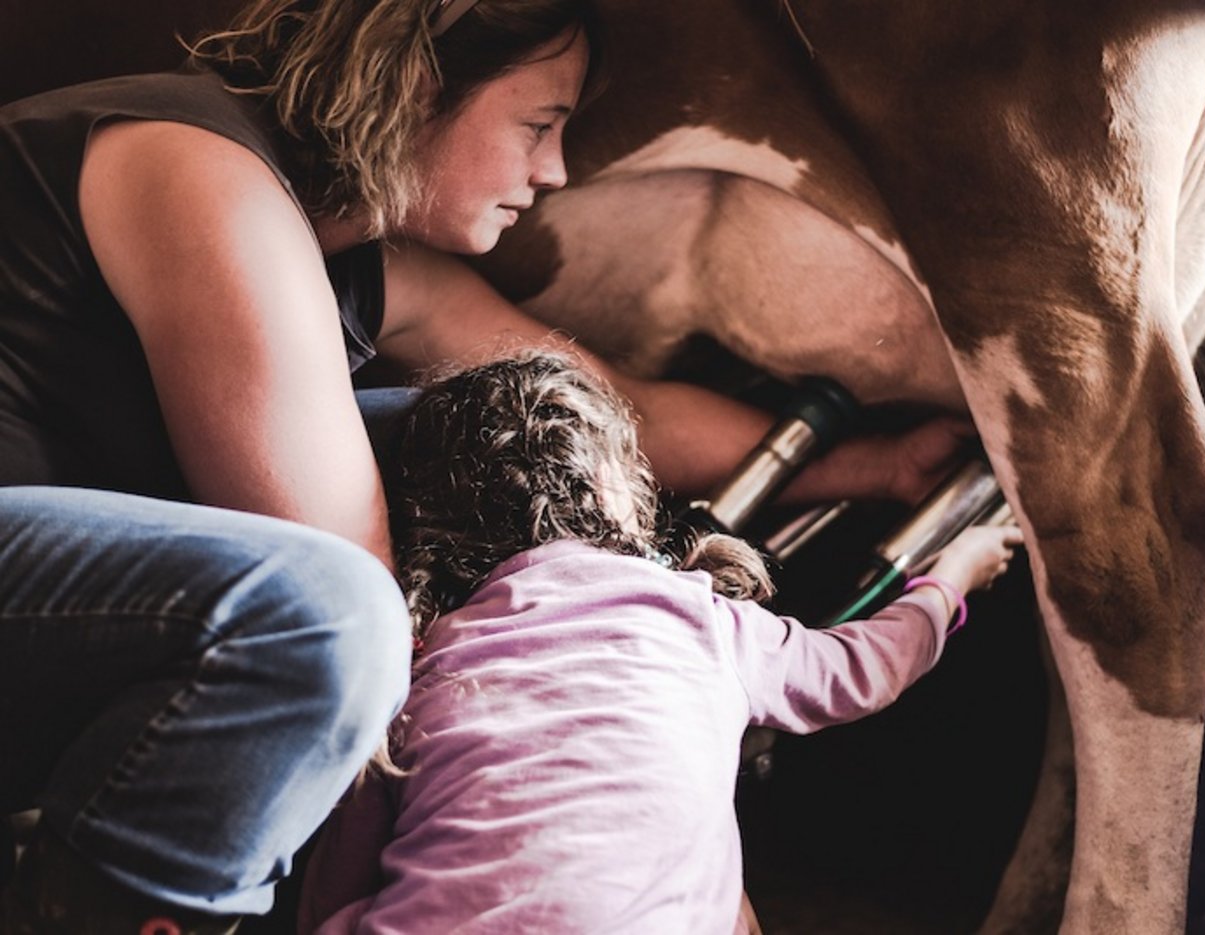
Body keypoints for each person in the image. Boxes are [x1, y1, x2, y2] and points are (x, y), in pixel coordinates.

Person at [0, 0, 969, 928]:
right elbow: (351, 564)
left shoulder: (361, 261)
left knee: (497, 435)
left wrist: (869, 465)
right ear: (419, 85)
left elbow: (604, 409)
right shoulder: (194, 167)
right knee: (334, 608)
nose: (553, 171)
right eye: (539, 124)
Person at [298, 350, 1024, 934]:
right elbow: (864, 669)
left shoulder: (425, 662)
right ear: (617, 485)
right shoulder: (696, 615)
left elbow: (336, 884)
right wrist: (947, 582)